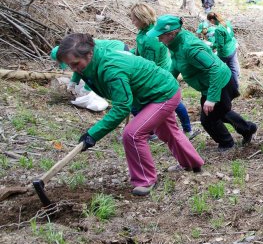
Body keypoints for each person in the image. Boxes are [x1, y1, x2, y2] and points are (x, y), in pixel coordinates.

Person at [56, 34, 204, 196]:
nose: (74, 69)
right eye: (70, 66)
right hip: (148, 94)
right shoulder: (91, 60)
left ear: (89, 54)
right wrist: (76, 78)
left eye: (76, 64)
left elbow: (122, 108)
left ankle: (145, 180)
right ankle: (192, 163)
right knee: (166, 131)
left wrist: (93, 134)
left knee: (133, 134)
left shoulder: (111, 70)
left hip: (163, 93)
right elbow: (83, 69)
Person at [148, 15, 257, 151]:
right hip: (210, 85)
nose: (158, 39)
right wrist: (166, 80)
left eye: (161, 36)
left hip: (220, 82)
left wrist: (211, 98)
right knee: (220, 112)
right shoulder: (176, 44)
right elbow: (176, 64)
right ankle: (248, 129)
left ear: (171, 33)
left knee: (208, 120)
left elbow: (215, 69)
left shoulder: (190, 48)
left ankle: (227, 143)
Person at [129, 3, 196, 139]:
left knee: (138, 104)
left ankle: (155, 131)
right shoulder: (146, 32)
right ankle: (186, 129)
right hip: (161, 71)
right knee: (173, 101)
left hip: (158, 74)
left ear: (143, 19)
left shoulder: (150, 39)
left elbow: (149, 63)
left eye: (134, 19)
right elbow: (138, 51)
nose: (132, 22)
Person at [52, 38, 127, 90]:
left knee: (111, 75)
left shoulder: (82, 49)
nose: (72, 68)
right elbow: (78, 70)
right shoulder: (74, 55)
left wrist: (87, 89)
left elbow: (92, 72)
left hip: (118, 49)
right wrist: (73, 81)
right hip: (113, 51)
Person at [206, 12, 239, 83]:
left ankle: (215, 82)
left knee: (214, 66)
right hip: (232, 48)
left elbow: (220, 45)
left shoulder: (218, 29)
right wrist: (214, 34)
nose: (210, 23)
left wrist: (211, 44)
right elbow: (230, 34)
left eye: (210, 21)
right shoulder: (227, 22)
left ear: (212, 20)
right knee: (234, 68)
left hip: (225, 53)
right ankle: (235, 84)